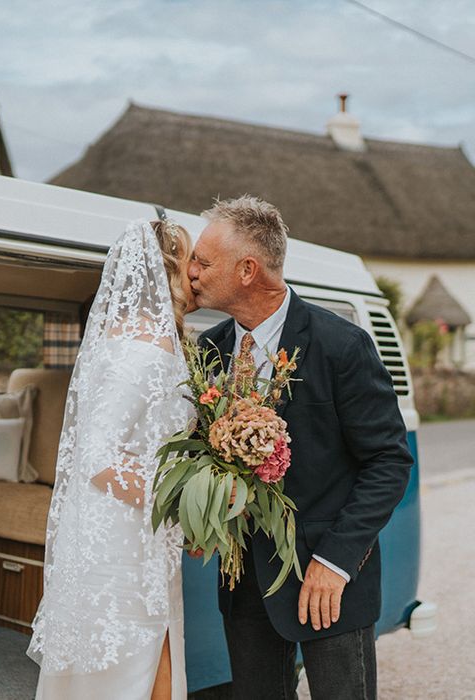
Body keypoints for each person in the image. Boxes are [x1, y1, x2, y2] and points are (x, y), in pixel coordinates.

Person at [189, 195, 413, 700]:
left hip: (328, 583)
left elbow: (389, 461)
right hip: (243, 580)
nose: (192, 271)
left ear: (247, 269)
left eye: (203, 261)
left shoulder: (342, 346)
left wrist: (335, 563)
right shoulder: (209, 351)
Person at [28, 218, 196, 700]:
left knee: (152, 653)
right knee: (140, 659)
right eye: (190, 261)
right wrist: (180, 502)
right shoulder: (148, 347)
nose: (197, 271)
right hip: (126, 538)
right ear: (166, 269)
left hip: (132, 530)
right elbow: (99, 457)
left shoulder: (123, 337)